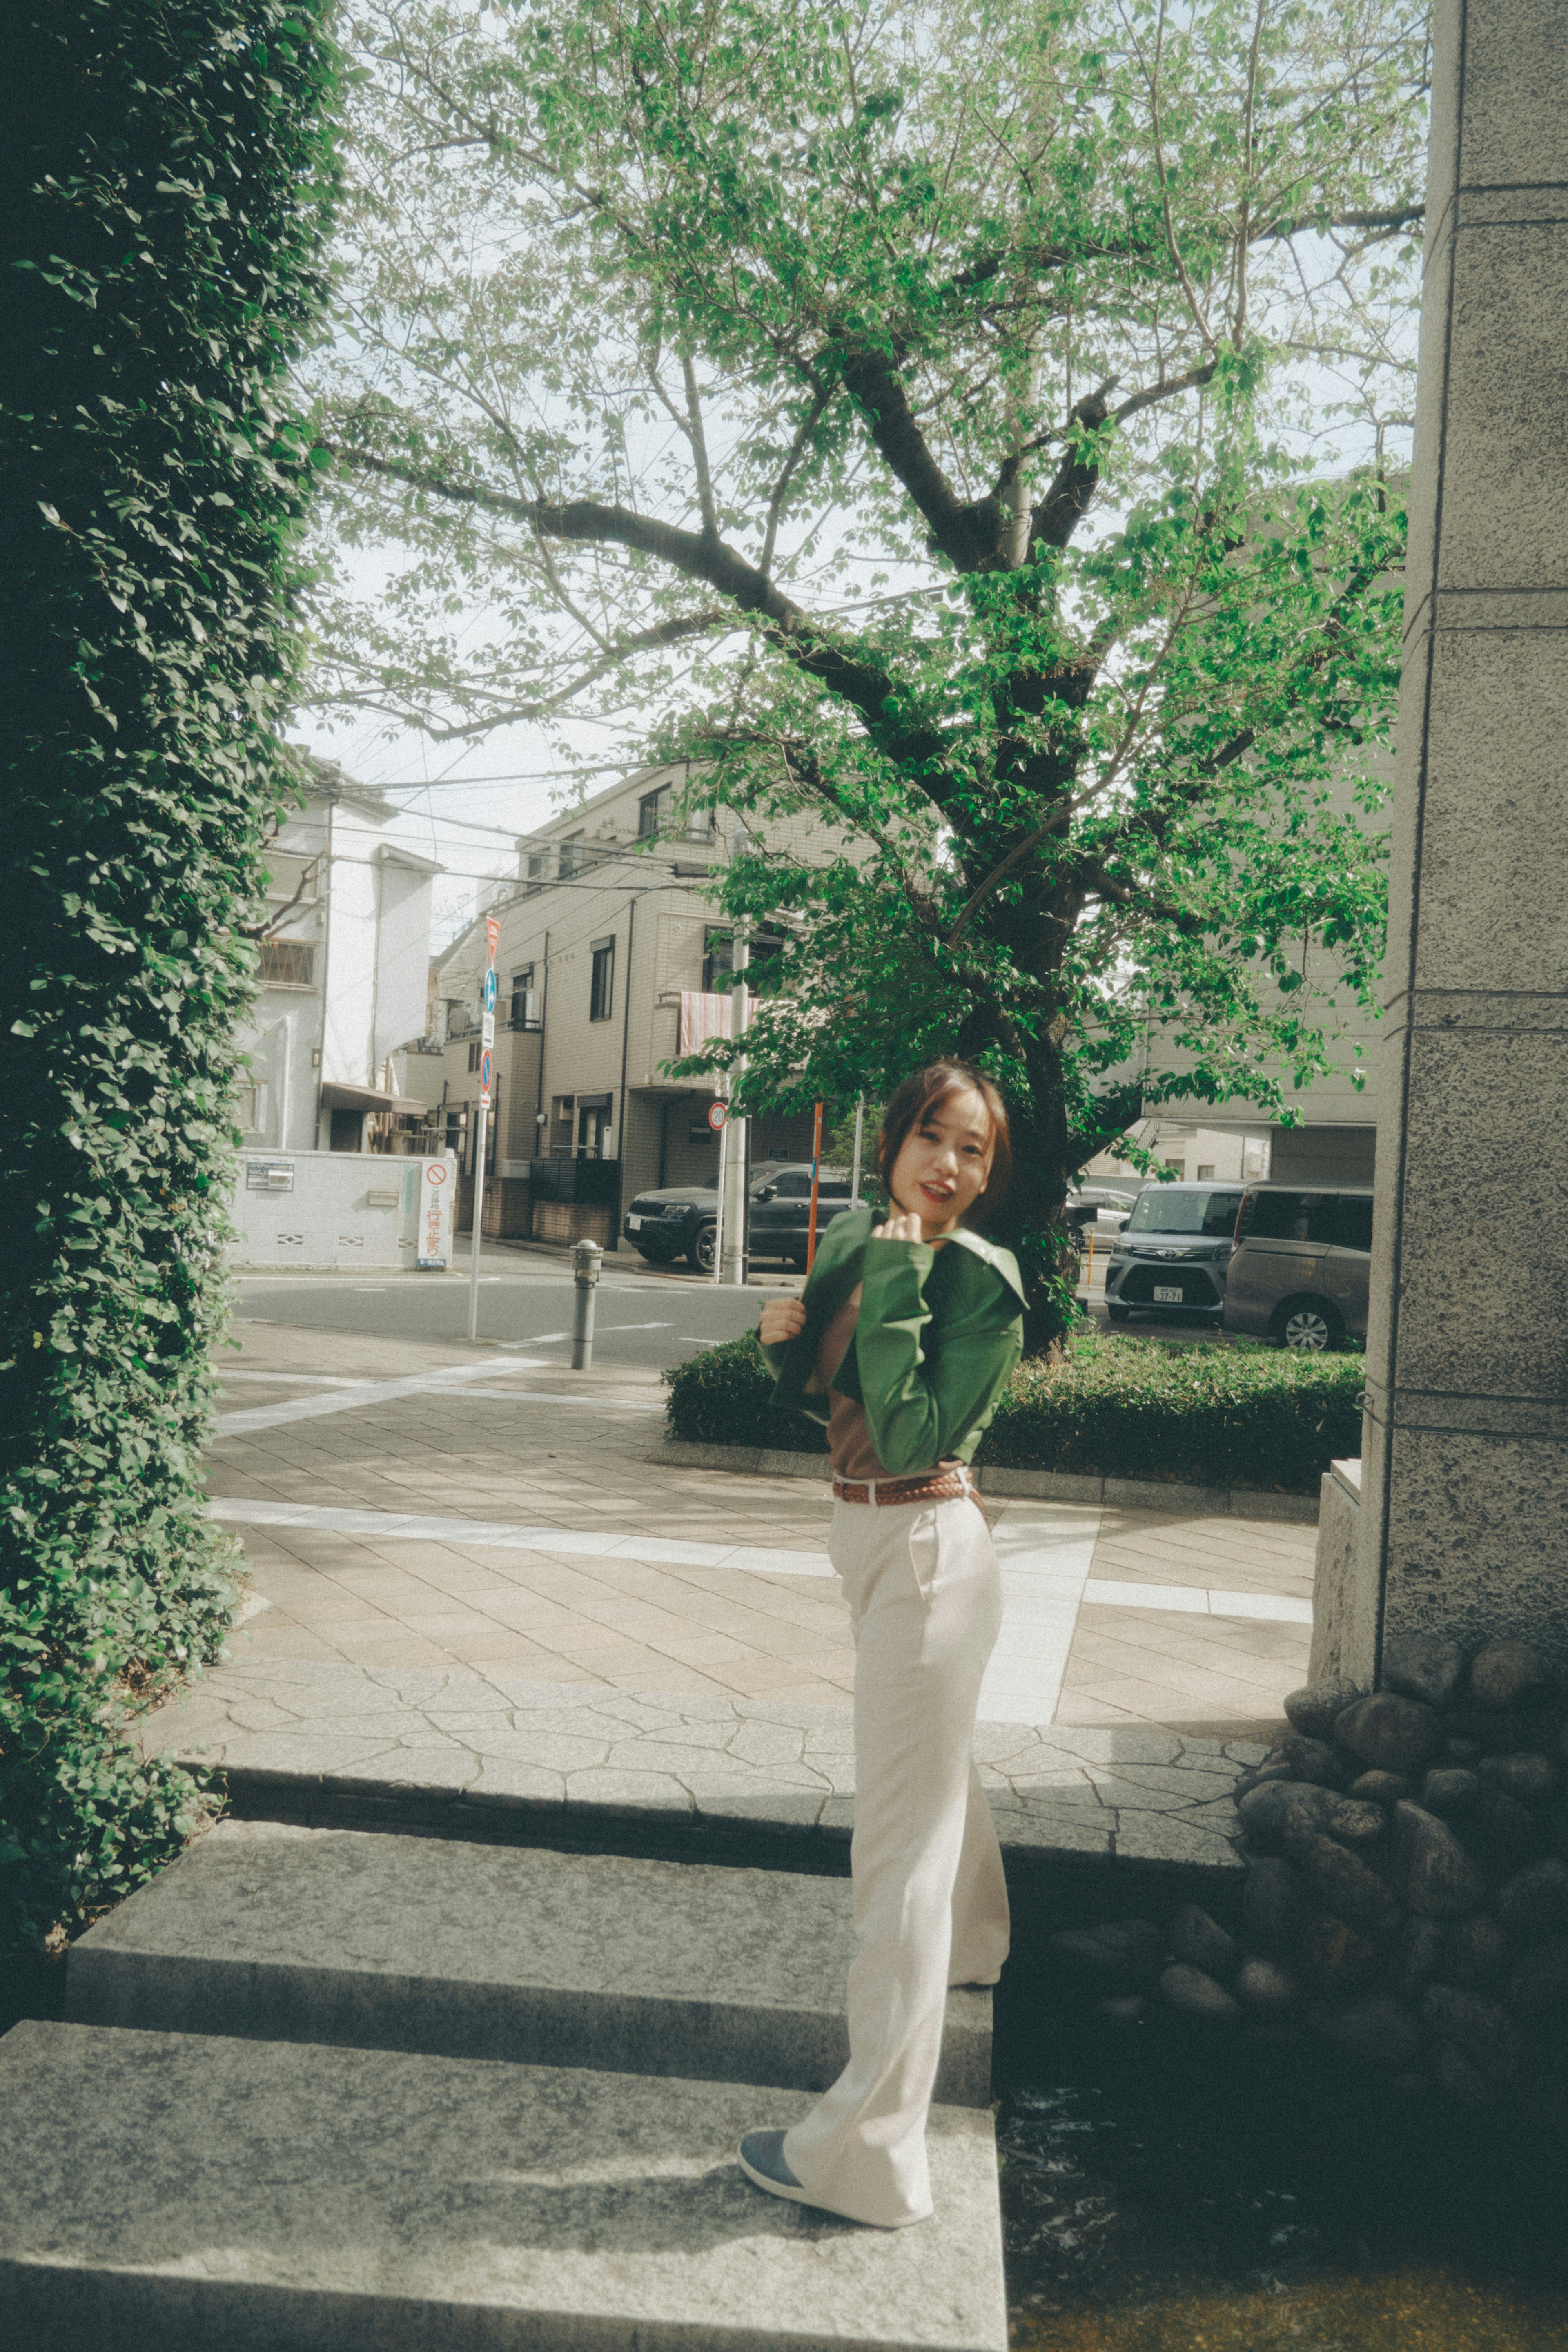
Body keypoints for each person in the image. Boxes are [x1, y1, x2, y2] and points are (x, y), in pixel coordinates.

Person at [739, 1058, 1025, 2230]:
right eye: (935, 1138)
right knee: (935, 1784)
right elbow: (832, 1399)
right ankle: (982, 1946)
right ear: (895, 1136)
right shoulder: (861, 1231)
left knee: (894, 1854)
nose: (951, 1167)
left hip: (928, 1548)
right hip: (869, 1545)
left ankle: (866, 2158)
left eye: (975, 1153)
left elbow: (910, 1432)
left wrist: (905, 1269)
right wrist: (781, 1335)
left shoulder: (978, 1278)